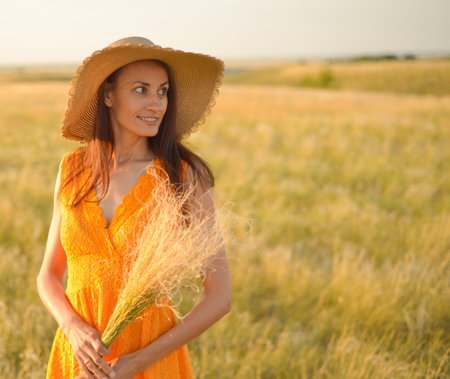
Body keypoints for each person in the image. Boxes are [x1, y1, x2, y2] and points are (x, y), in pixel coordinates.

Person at [37, 36, 232, 379]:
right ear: (108, 94)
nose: (157, 103)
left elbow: (220, 298)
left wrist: (137, 362)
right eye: (141, 90)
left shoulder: (183, 174)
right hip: (79, 357)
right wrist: (72, 327)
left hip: (149, 360)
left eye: (163, 91)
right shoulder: (72, 169)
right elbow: (49, 276)